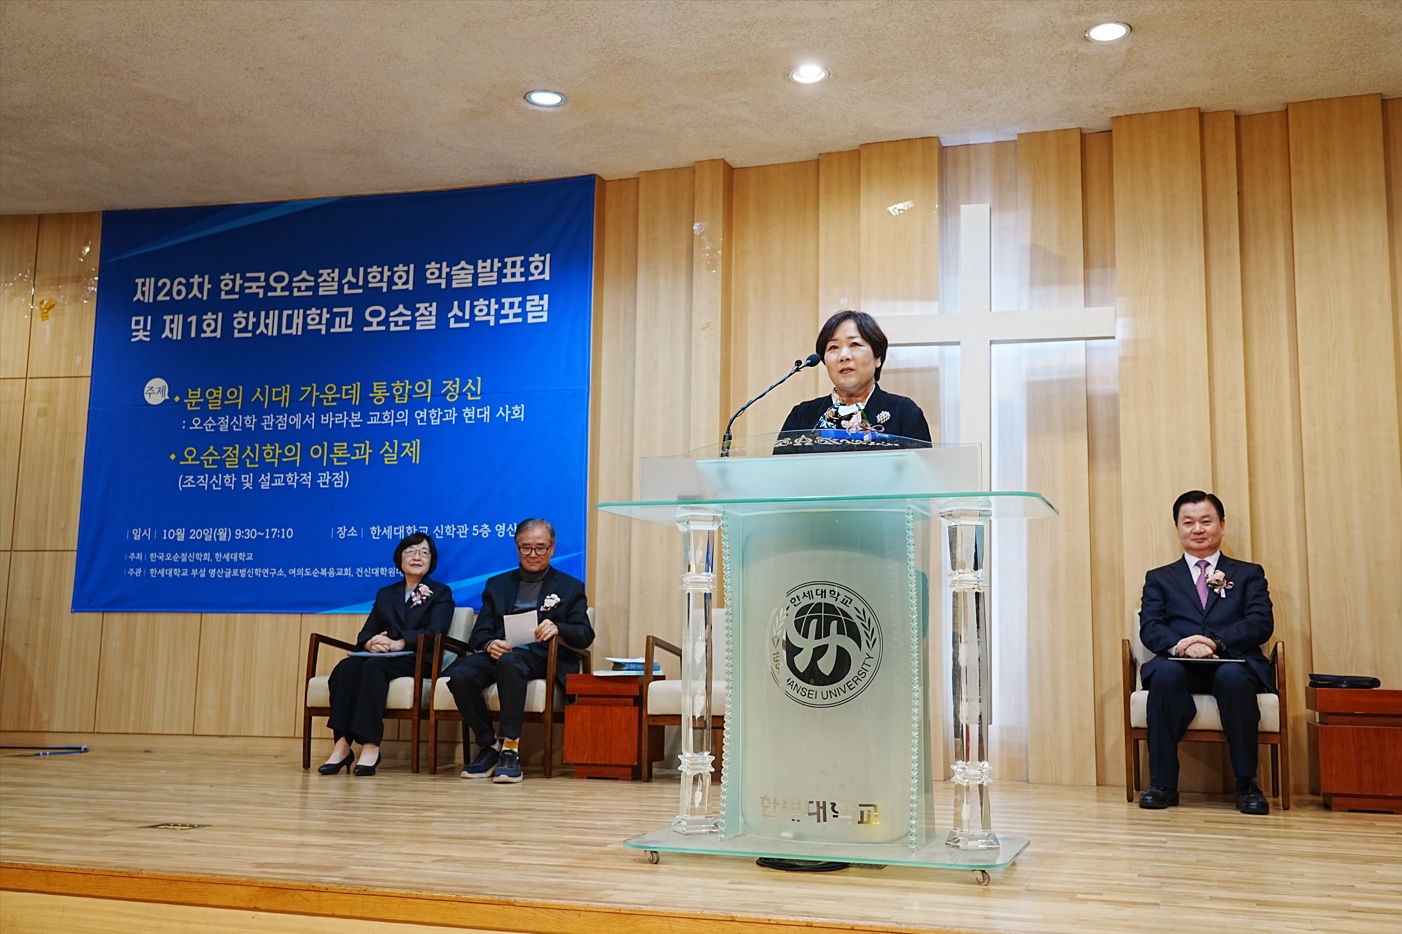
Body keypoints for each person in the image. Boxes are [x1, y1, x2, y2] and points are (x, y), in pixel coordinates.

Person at [1137, 491, 1274, 814]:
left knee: (1233, 678)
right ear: (1177, 528)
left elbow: (1260, 622)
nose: (1197, 529)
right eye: (1188, 522)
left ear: (1222, 525)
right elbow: (1151, 626)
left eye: (1206, 521)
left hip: (1232, 660)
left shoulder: (1248, 573)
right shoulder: (1159, 578)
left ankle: (1247, 784)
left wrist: (1214, 642)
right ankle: (1162, 785)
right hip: (1179, 661)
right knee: (1165, 675)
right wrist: (1183, 645)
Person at [445, 518, 593, 783]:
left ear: (552, 548)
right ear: (517, 548)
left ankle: (510, 749)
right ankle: (490, 746)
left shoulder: (569, 587)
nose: (533, 554)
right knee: (461, 675)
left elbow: (585, 634)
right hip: (502, 653)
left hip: (541, 657)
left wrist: (558, 627)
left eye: (540, 547)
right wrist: (490, 644)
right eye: (526, 547)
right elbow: (479, 633)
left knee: (511, 663)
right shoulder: (497, 585)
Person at [318, 532, 454, 776]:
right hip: (383, 656)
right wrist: (371, 643)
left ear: (431, 561)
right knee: (344, 669)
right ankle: (342, 745)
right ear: (400, 558)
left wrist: (399, 643)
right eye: (410, 551)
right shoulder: (385, 594)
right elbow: (366, 631)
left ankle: (371, 745)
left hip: (417, 658)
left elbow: (436, 632)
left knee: (373, 669)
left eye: (424, 553)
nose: (417, 557)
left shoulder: (440, 593)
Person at [774, 309, 931, 452]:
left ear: (877, 357)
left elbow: (921, 471)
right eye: (833, 347)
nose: (843, 356)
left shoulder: (904, 412)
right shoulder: (802, 415)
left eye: (854, 344)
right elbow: (781, 471)